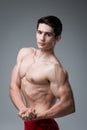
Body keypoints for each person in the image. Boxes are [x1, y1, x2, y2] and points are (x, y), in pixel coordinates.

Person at [9, 15, 75, 130]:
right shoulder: (24, 54)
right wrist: (23, 109)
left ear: (58, 38)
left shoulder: (54, 69)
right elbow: (14, 86)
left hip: (44, 125)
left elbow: (69, 105)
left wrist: (37, 116)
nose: (42, 38)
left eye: (48, 34)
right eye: (39, 32)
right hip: (29, 123)